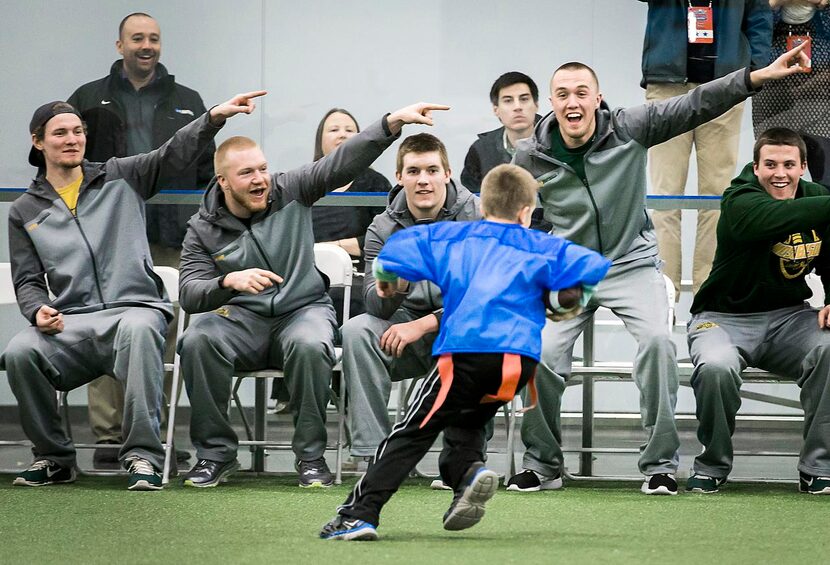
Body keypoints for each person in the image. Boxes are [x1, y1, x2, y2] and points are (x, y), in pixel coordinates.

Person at [508, 42, 811, 495]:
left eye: (582, 92)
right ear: (552, 103)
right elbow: (517, 225)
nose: (573, 102)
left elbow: (695, 104)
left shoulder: (629, 127)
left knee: (656, 345)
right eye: (563, 94)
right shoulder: (528, 157)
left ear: (598, 98)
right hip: (569, 268)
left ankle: (659, 467)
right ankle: (544, 464)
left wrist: (753, 79)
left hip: (632, 262)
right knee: (540, 353)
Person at [320, 164, 611, 541]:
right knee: (468, 421)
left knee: (411, 432)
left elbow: (394, 253)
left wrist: (388, 285)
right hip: (518, 365)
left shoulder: (455, 237)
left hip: (466, 355)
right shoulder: (544, 244)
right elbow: (590, 269)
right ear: (526, 212)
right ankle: (468, 474)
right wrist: (565, 306)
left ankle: (357, 514)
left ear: (483, 205)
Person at [176, 102, 449, 489]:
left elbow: (341, 163)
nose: (260, 180)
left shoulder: (291, 189)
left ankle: (311, 457)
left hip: (302, 310)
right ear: (223, 182)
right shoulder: (202, 228)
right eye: (247, 173)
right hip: (238, 318)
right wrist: (226, 283)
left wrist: (391, 124)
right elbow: (188, 292)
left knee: (310, 343)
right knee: (197, 339)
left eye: (262, 169)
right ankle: (215, 455)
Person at [0, 92, 261, 490]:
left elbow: (172, 153)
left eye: (78, 131)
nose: (72, 139)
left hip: (135, 309)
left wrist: (214, 118)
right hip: (74, 323)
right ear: (38, 142)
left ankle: (143, 455)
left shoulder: (121, 175)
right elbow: (28, 281)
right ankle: (54, 458)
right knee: (20, 351)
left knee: (140, 329)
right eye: (60, 133)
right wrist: (37, 311)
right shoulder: (24, 211)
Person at [67, 12, 213, 465]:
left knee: (166, 333)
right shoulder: (88, 99)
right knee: (106, 327)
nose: (145, 46)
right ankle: (110, 438)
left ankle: (158, 432)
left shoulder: (189, 102)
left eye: (153, 38)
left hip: (172, 235)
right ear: (119, 46)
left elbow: (207, 172)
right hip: (108, 235)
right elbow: (67, 162)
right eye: (136, 39)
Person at [686, 128, 830, 494]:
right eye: (770, 165)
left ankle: (817, 468)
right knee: (716, 367)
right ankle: (712, 464)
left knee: (829, 349)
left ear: (803, 167)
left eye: (788, 165)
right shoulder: (739, 199)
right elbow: (771, 219)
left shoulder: (818, 199)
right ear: (756, 167)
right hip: (721, 319)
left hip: (789, 318)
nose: (779, 173)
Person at [339, 133, 480, 469]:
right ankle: (377, 457)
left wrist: (423, 324)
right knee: (357, 331)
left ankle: (462, 460)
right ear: (400, 177)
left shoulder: (475, 217)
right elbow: (375, 305)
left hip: (460, 332)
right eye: (414, 171)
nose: (423, 180)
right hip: (403, 333)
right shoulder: (383, 228)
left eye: (432, 170)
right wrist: (396, 284)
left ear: (447, 173)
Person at [639, 0, 772, 297]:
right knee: (663, 197)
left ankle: (709, 298)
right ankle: (663, 297)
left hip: (726, 85)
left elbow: (759, 15)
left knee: (718, 198)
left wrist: (756, 68)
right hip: (667, 84)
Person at [269, 108, 391, 413]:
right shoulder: (304, 181)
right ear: (320, 140)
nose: (342, 135)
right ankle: (301, 392)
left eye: (350, 129)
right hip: (305, 279)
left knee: (348, 300)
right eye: (334, 129)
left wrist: (335, 248)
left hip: (358, 279)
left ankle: (348, 394)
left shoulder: (376, 184)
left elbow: (387, 237)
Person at [461, 71, 550, 232]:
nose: (517, 107)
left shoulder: (556, 143)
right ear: (496, 109)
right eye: (508, 100)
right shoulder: (480, 151)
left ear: (536, 104)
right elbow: (469, 208)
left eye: (524, 99)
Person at [753, 1, 830, 187]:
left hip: (822, 100)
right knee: (774, 175)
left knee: (826, 177)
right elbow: (755, 31)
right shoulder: (765, 8)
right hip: (773, 97)